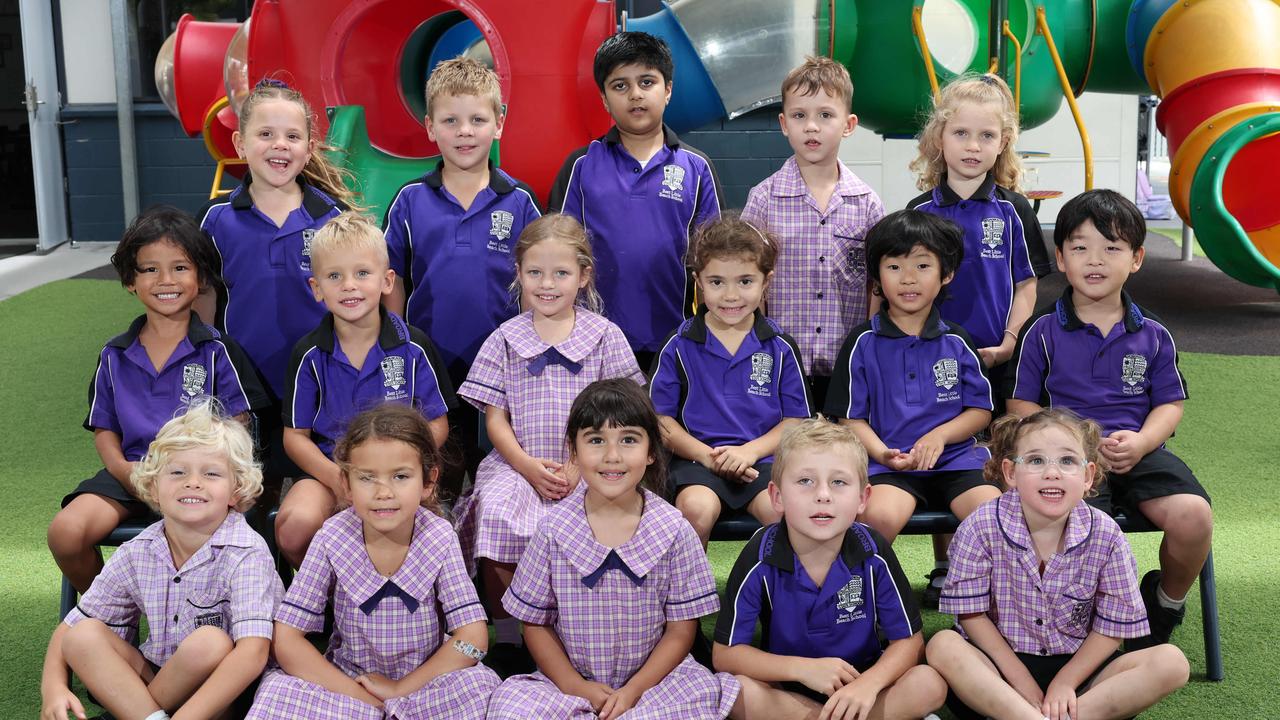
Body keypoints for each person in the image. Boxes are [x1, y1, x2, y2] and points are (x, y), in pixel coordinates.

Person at [1006, 189, 1213, 648]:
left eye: (1112, 248)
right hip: (1069, 462)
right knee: (1074, 525)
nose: (1094, 260)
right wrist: (1068, 449)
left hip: (1137, 453)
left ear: (1137, 258)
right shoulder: (1041, 330)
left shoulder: (1154, 334)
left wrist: (1140, 443)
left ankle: (1163, 606)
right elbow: (1020, 407)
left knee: (1193, 516)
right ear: (1060, 258)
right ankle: (1079, 620)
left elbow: (1169, 404)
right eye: (1080, 248)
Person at [452, 214, 643, 673]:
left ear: (583, 276)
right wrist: (523, 465)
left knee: (597, 519)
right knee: (497, 515)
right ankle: (513, 637)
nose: (547, 284)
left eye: (561, 273)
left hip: (593, 465)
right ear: (518, 274)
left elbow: (623, 411)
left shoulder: (603, 336)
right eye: (535, 272)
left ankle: (579, 633)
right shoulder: (505, 339)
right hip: (519, 463)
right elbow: (495, 418)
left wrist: (584, 464)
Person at [487, 379, 741, 719]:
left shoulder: (674, 528)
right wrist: (576, 686)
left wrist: (635, 690)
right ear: (573, 451)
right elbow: (536, 624)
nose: (612, 456)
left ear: (652, 451)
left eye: (629, 440)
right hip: (565, 684)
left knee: (700, 697)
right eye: (595, 440)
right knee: (509, 707)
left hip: (655, 685)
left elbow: (681, 630)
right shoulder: (551, 530)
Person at [48, 206, 269, 594]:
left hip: (198, 479)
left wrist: (207, 476)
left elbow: (239, 425)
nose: (165, 280)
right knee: (66, 533)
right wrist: (126, 473)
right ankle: (115, 616)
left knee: (220, 531)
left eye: (180, 268)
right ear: (130, 281)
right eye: (150, 269)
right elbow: (104, 427)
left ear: (201, 278)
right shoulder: (114, 355)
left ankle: (209, 615)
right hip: (130, 474)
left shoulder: (218, 351)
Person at [926, 409, 1189, 720]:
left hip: (1079, 676)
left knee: (1171, 662)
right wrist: (1020, 680)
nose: (1052, 472)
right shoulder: (980, 526)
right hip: (998, 674)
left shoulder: (1107, 535)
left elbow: (1112, 627)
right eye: (1036, 461)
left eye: (1067, 461)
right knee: (942, 644)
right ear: (1010, 473)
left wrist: (1066, 682)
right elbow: (971, 615)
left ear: (1088, 475)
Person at [245, 403, 498, 719]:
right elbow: (286, 639)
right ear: (347, 484)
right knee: (277, 693)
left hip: (427, 683)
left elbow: (474, 641)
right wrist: (359, 696)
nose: (383, 492)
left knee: (480, 688)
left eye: (401, 476)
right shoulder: (332, 536)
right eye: (367, 478)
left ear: (429, 481)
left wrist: (400, 689)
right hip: (350, 683)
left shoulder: (440, 536)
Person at [41, 399, 283, 720]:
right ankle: (150, 715)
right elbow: (71, 627)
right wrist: (53, 687)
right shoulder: (138, 550)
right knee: (82, 635)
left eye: (211, 473)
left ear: (236, 491)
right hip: (164, 677)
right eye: (178, 472)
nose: (192, 482)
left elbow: (252, 656)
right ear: (153, 488)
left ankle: (138, 713)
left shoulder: (246, 553)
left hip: (229, 688)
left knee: (209, 642)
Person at [907, 73, 1051, 606]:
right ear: (939, 139)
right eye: (962, 134)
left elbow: (1027, 283)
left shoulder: (1014, 211)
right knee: (946, 453)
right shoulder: (920, 213)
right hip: (939, 361)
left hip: (998, 357)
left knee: (999, 460)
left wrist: (1011, 338)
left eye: (986, 137)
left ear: (1003, 143)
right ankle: (946, 565)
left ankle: (1001, 565)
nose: (973, 147)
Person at [382, 56, 542, 498]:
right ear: (431, 127)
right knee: (442, 475)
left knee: (498, 474)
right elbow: (392, 278)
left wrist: (528, 348)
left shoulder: (521, 201)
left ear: (498, 123)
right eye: (451, 121)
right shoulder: (410, 200)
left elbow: (536, 285)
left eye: (477, 119)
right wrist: (397, 338)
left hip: (503, 362)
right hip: (432, 361)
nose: (465, 131)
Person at [714, 419, 947, 720]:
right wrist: (802, 669)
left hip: (862, 687)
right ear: (777, 497)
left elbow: (909, 642)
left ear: (863, 498)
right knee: (735, 691)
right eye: (805, 481)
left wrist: (868, 685)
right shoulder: (760, 555)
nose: (823, 495)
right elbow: (725, 654)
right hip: (789, 690)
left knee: (928, 684)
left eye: (838, 482)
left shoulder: (873, 551)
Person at [196, 78, 356, 484]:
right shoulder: (216, 220)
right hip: (243, 390)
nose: (279, 145)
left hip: (320, 387)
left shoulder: (332, 217)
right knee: (249, 495)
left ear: (308, 148)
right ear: (240, 144)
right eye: (265, 134)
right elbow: (203, 306)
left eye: (292, 136)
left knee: (312, 501)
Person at [275, 212, 454, 568]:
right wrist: (340, 480)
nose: (349, 286)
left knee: (434, 533)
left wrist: (404, 470)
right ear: (316, 288)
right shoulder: (309, 354)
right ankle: (325, 606)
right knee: (295, 526)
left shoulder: (413, 348)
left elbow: (438, 424)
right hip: (330, 475)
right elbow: (295, 437)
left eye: (362, 273)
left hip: (398, 477)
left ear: (387, 281)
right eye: (334, 276)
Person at [824, 210, 999, 545]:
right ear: (875, 276)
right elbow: (850, 419)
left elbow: (980, 411)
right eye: (894, 267)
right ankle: (872, 590)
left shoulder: (957, 340)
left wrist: (940, 437)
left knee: (991, 515)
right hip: (890, 467)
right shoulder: (862, 343)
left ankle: (958, 580)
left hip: (956, 461)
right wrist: (881, 453)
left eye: (922, 265)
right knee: (878, 517)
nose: (908, 278)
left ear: (945, 273)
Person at [548, 31, 722, 367]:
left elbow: (716, 261)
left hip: (676, 341)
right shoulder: (580, 166)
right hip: (590, 342)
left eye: (646, 82)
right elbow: (555, 252)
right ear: (604, 99)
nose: (635, 95)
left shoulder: (697, 168)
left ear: (668, 90)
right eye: (620, 86)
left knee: (665, 422)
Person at [650, 215, 811, 547]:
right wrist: (710, 457)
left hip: (762, 463)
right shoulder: (678, 344)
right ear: (699, 281)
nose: (731, 295)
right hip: (697, 463)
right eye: (717, 282)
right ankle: (690, 596)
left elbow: (796, 421)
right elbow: (660, 421)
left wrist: (749, 453)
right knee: (695, 510)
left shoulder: (780, 347)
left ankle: (782, 595)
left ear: (766, 281)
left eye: (745, 281)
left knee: (788, 512)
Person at [741, 55, 885, 403]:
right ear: (783, 123)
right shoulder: (763, 199)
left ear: (848, 124)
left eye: (825, 115)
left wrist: (870, 349)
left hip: (846, 364)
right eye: (799, 115)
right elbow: (746, 277)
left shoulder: (866, 202)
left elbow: (877, 285)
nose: (811, 127)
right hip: (781, 364)